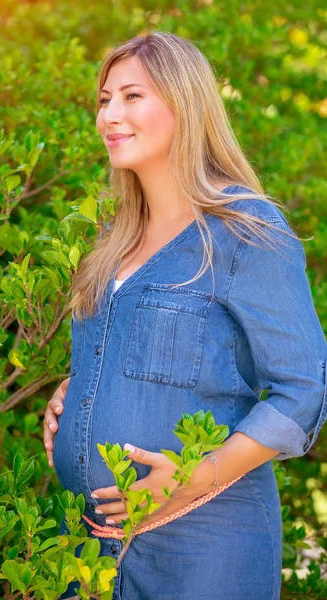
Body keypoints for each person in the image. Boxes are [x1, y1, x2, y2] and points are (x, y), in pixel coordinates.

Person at [43, 32, 327, 600]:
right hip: (85, 545)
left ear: (184, 103)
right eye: (104, 100)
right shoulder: (111, 239)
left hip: (204, 546)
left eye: (131, 96)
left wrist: (192, 477)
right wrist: (79, 388)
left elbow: (303, 391)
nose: (110, 116)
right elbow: (162, 354)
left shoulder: (247, 232)